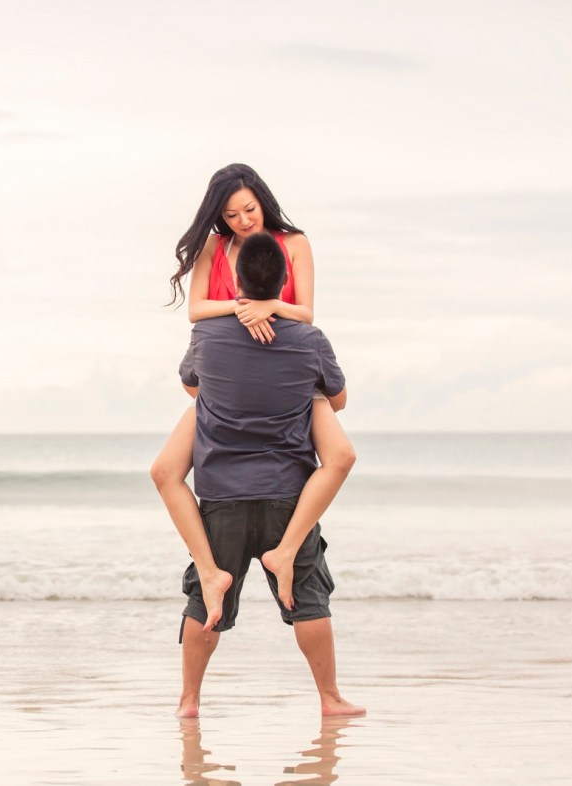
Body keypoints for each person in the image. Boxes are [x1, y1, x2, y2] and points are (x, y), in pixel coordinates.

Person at [150, 163, 356, 632]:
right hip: (228, 377)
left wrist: (270, 305)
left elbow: (304, 312)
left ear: (262, 200)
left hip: (285, 369)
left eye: (250, 208)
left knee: (341, 455)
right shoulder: (214, 247)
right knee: (164, 471)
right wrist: (244, 308)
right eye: (232, 214)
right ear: (220, 218)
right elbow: (197, 311)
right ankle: (209, 569)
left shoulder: (294, 243)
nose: (245, 220)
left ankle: (283, 554)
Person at [175, 231, 363, 718]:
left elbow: (191, 386)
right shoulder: (309, 339)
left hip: (221, 497)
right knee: (308, 595)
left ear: (236, 280)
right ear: (285, 282)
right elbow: (337, 401)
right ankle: (330, 698)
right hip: (287, 495)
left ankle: (189, 702)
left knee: (206, 595)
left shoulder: (207, 336)